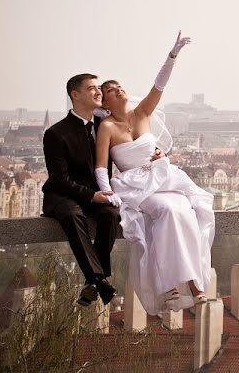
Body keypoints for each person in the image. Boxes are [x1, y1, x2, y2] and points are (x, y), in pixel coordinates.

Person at [95, 32, 215, 314]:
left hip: (162, 177)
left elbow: (159, 85)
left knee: (185, 209)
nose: (118, 89)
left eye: (119, 86)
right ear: (105, 103)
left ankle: (194, 286)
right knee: (169, 212)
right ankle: (170, 287)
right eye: (110, 90)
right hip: (136, 187)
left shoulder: (143, 113)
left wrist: (172, 56)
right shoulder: (107, 128)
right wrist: (107, 192)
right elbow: (101, 165)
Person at [42, 73, 163, 306]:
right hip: (64, 195)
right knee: (72, 214)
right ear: (75, 95)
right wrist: (91, 195)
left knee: (110, 214)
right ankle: (99, 279)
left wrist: (158, 153)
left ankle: (92, 281)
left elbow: (132, 139)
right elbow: (58, 180)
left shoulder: (104, 125)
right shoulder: (56, 133)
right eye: (91, 88)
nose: (98, 91)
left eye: (99, 88)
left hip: (96, 194)